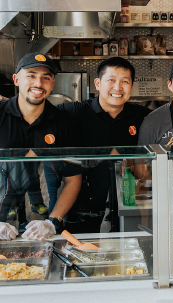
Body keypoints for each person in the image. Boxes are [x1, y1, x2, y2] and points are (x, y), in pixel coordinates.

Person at [57, 57, 151, 233]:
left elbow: (170, 119)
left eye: (125, 81)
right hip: (82, 206)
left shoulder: (143, 116)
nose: (118, 87)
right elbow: (41, 114)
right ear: (97, 83)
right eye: (111, 80)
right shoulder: (75, 112)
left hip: (128, 203)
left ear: (131, 86)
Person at [0, 52, 82, 240]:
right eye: (31, 75)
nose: (38, 83)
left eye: (46, 78)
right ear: (16, 79)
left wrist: (52, 222)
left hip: (44, 229)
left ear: (52, 84)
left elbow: (73, 179)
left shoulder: (65, 123)